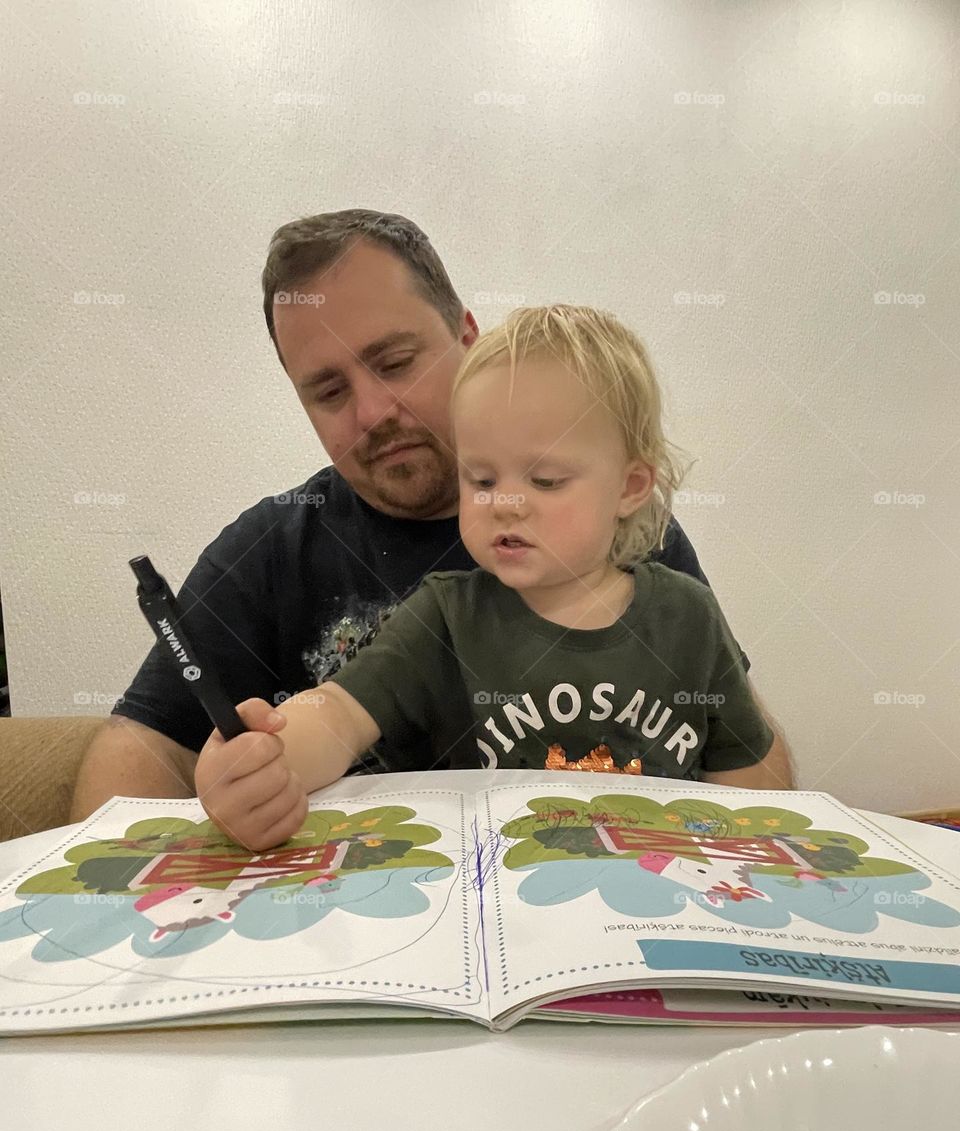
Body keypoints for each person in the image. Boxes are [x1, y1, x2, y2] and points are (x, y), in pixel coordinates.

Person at [71, 210, 793, 820]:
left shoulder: (628, 541)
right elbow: (144, 745)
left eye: (395, 362)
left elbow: (747, 751)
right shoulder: (275, 548)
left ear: (467, 337)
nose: (374, 412)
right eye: (328, 391)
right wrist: (247, 776)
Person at [195, 304, 786, 852]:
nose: (504, 502)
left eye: (546, 480)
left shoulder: (687, 616)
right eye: (479, 480)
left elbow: (751, 784)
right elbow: (338, 717)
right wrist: (266, 759)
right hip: (493, 909)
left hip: (654, 897)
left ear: (630, 487)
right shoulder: (446, 616)